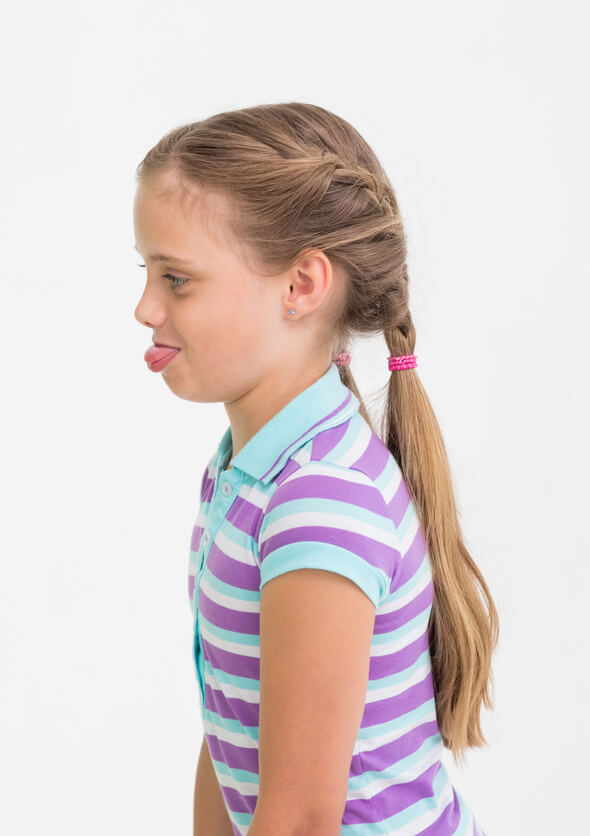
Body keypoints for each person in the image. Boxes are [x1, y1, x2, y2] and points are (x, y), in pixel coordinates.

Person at [133, 103, 498, 835]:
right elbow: (231, 727)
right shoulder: (244, 472)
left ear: (301, 286)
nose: (145, 308)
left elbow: (299, 819)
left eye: (177, 279)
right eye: (147, 272)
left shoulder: (320, 502)